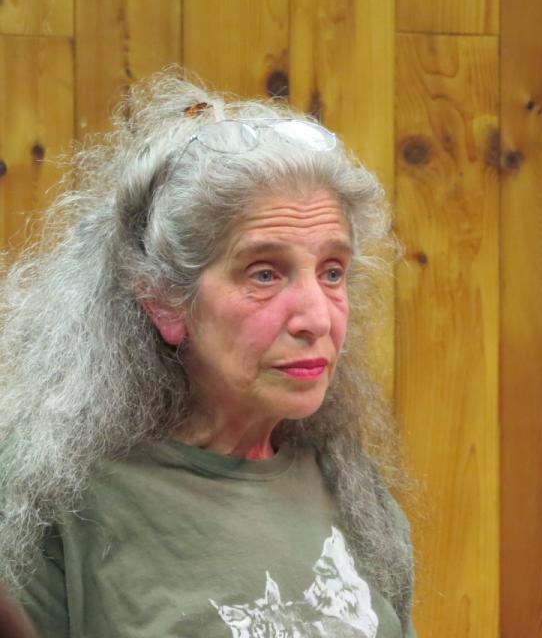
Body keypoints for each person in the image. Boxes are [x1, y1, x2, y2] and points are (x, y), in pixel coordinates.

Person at [0, 71, 415, 637]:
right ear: (166, 300)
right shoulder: (51, 500)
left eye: (333, 271)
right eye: (264, 273)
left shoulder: (350, 488)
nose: (317, 318)